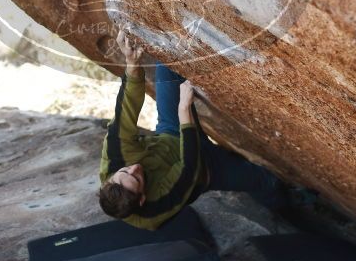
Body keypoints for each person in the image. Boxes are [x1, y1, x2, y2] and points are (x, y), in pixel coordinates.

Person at [98, 29, 287, 230]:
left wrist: (132, 65)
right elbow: (188, 166)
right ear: (143, 198)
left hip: (170, 133)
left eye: (125, 170)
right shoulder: (156, 209)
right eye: (136, 177)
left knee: (167, 64)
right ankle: (289, 213)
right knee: (267, 183)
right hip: (206, 169)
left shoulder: (113, 160)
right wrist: (184, 108)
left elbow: (125, 113)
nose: (134, 168)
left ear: (109, 179)